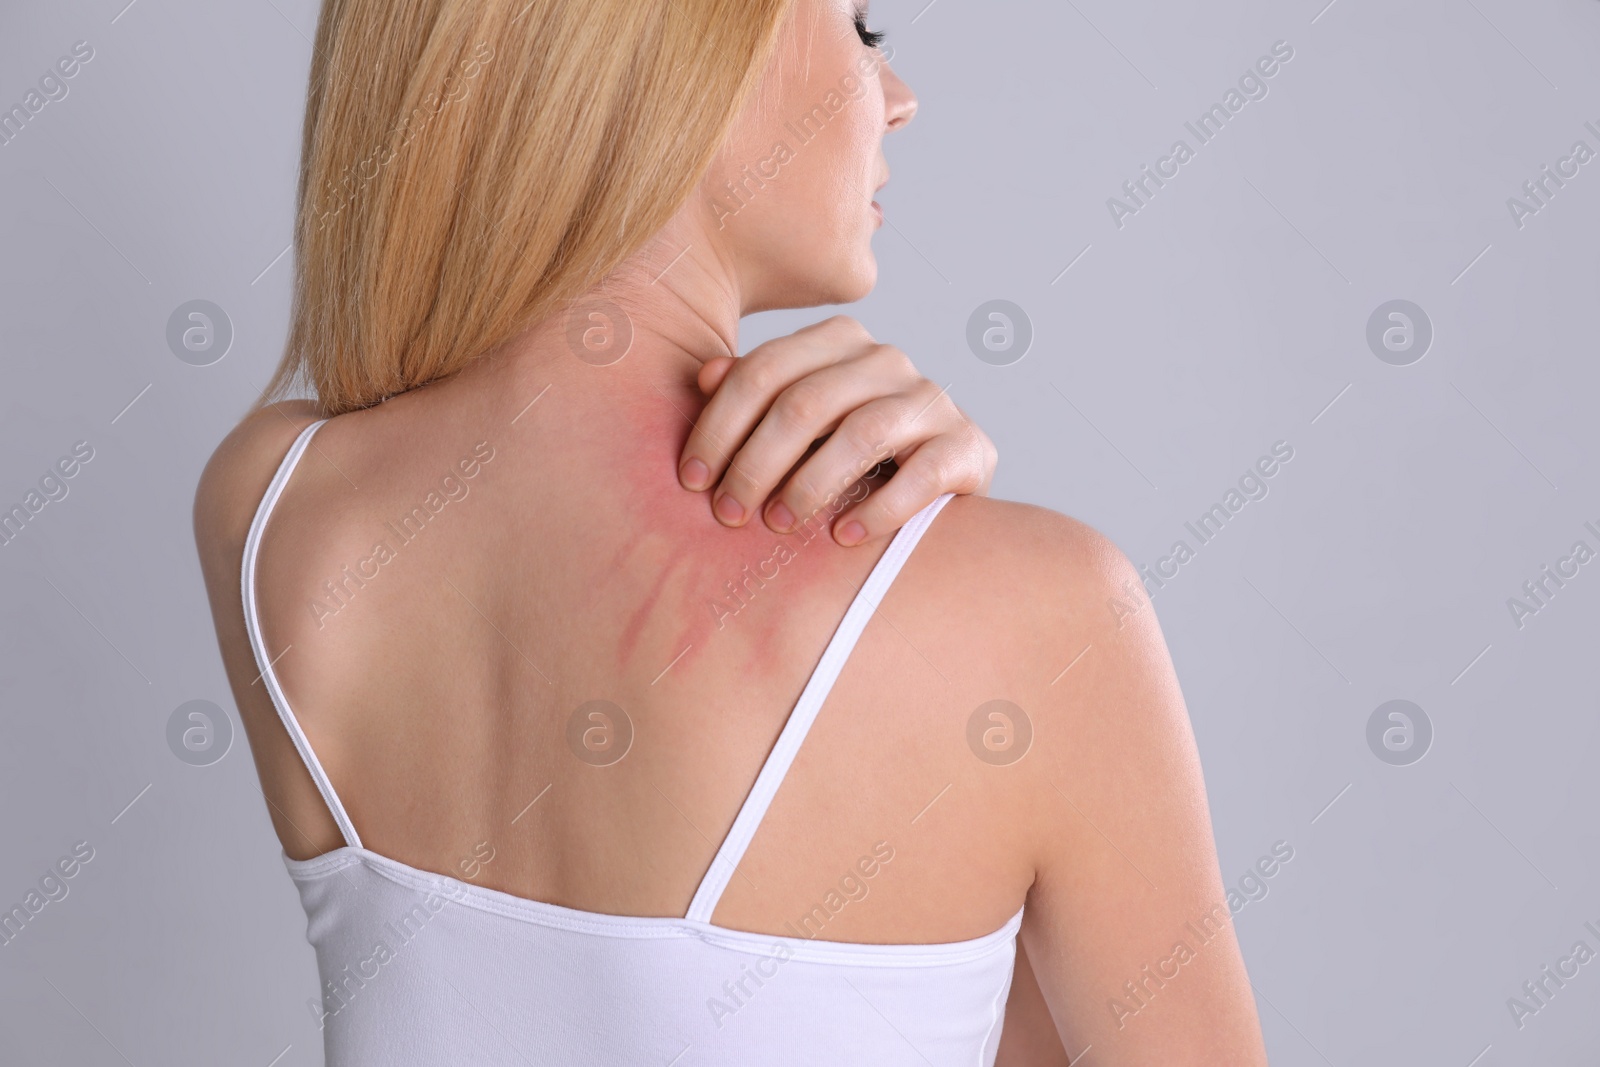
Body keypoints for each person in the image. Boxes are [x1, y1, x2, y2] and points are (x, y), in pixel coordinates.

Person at [194, 1, 1268, 1062]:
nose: (897, 99)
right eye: (861, 27)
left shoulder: (271, 506)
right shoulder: (1040, 617)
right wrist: (967, 545)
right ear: (683, 47)